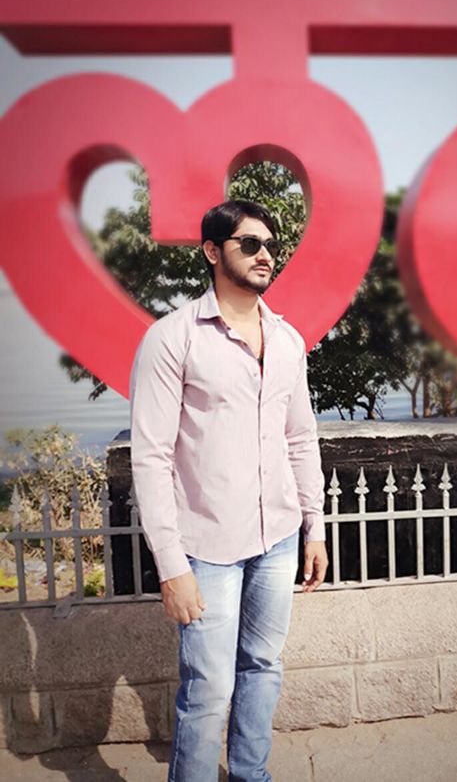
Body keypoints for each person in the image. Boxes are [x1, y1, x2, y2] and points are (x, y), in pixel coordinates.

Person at [129, 199, 328, 782]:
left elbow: (301, 438)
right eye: (250, 243)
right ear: (213, 251)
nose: (266, 255)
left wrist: (314, 527)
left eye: (271, 245)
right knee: (208, 688)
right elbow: (151, 456)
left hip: (278, 538)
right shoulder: (173, 338)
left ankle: (249, 775)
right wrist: (171, 566)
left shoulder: (287, 340)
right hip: (207, 546)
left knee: (263, 666)